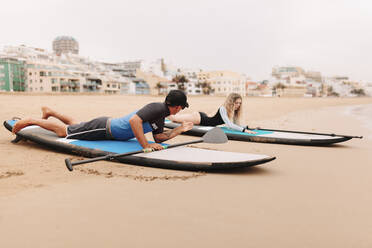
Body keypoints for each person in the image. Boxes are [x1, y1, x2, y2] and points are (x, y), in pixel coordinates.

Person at [12, 90, 194, 150]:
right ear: (177, 106)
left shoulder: (160, 114)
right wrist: (145, 146)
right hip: (105, 129)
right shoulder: (156, 107)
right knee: (64, 132)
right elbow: (134, 122)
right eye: (181, 107)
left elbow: (159, 138)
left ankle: (50, 111)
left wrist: (178, 130)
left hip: (108, 129)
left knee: (77, 125)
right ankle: (30, 120)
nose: (180, 110)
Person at [168, 93, 256, 134]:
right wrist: (244, 130)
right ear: (231, 102)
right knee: (174, 118)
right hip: (199, 119)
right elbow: (229, 124)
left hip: (203, 118)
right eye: (236, 103)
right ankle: (162, 113)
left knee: (175, 118)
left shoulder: (233, 111)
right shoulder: (223, 109)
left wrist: (247, 127)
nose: (238, 105)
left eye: (240, 103)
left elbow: (235, 124)